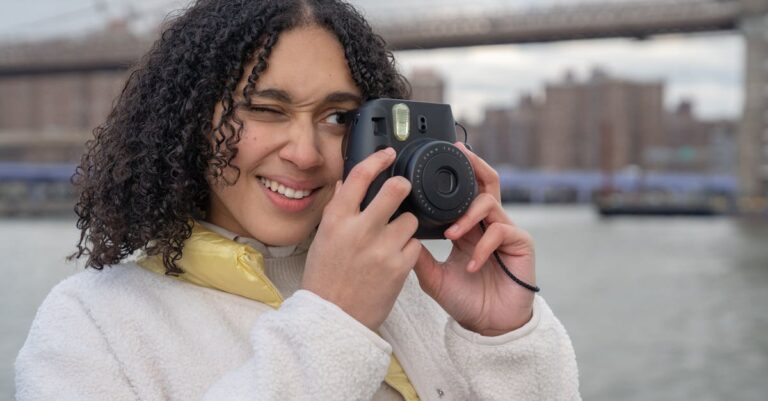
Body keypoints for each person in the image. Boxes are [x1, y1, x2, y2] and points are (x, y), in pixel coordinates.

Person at [15, 0, 580, 400]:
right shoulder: (91, 326)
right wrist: (333, 321)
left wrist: (502, 337)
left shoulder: (422, 289)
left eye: (338, 117)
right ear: (188, 123)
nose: (306, 153)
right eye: (266, 109)